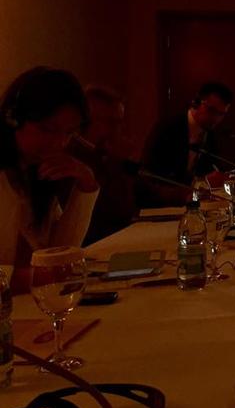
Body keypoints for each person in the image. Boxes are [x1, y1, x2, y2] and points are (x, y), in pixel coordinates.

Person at [0, 67, 98, 292]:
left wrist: (86, 184)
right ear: (12, 119)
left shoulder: (36, 175)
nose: (59, 143)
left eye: (69, 133)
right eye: (47, 129)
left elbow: (60, 254)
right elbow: (48, 273)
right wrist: (35, 278)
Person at [139, 82, 232, 206]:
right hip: (160, 206)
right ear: (196, 103)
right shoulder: (167, 128)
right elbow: (149, 179)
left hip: (192, 206)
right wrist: (200, 185)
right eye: (211, 110)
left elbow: (211, 172)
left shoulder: (211, 135)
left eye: (221, 114)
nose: (215, 118)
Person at [70, 85, 137, 244]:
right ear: (85, 121)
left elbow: (144, 191)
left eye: (120, 122)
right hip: (95, 244)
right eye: (112, 122)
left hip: (117, 238)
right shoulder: (74, 158)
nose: (119, 129)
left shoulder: (102, 152)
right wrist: (116, 163)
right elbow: (116, 211)